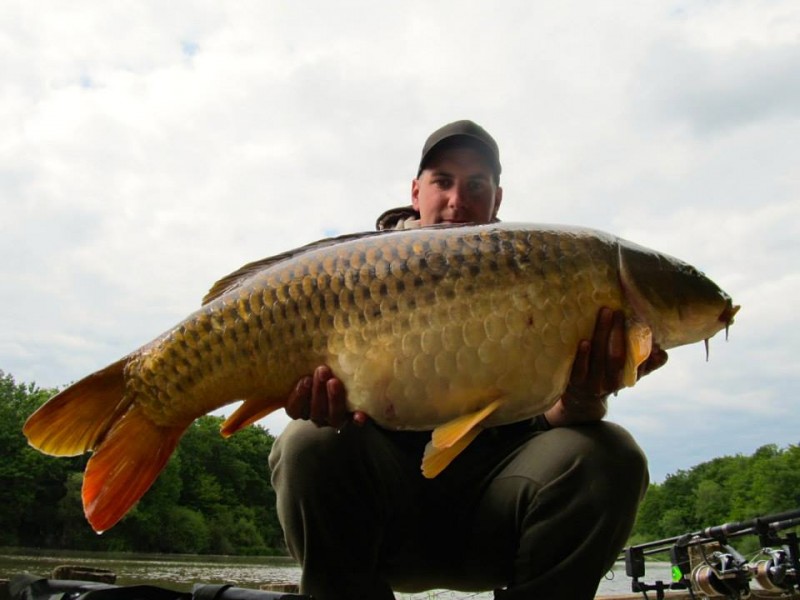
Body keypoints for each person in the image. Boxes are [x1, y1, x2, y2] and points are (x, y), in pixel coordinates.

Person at [268, 120, 668, 599]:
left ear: (497, 199)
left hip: (496, 516)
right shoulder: (359, 275)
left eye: (476, 185)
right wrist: (318, 406)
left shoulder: (538, 272)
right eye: (443, 181)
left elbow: (551, 420)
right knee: (308, 441)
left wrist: (586, 396)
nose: (458, 200)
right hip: (384, 519)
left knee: (611, 454)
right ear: (415, 192)